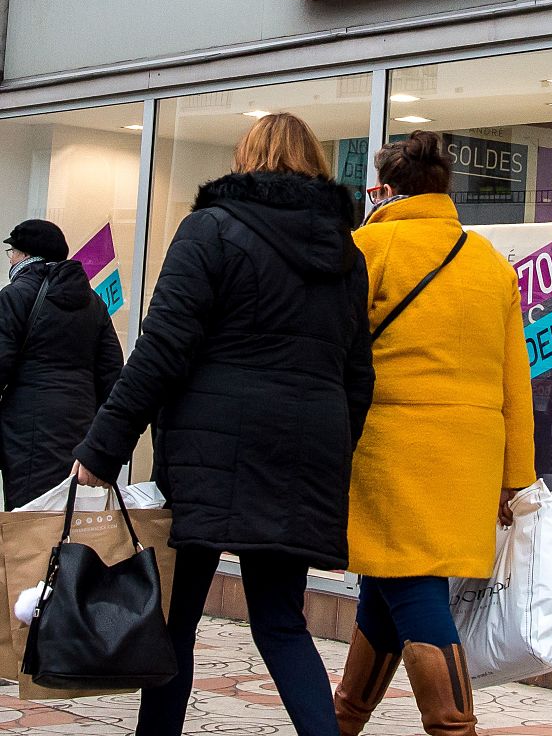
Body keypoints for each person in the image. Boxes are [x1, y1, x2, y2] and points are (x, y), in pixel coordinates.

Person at [73, 112, 375, 736]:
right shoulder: (346, 255)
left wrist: (103, 449)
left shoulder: (210, 229)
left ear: (245, 158)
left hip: (210, 448)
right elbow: (356, 377)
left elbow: (160, 350)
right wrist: (329, 449)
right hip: (303, 453)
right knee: (281, 622)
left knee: (175, 620)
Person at [335, 131, 536, 736]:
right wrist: (515, 478)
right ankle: (343, 718)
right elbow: (514, 380)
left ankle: (454, 727)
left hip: (391, 450)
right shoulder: (489, 264)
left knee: (414, 589)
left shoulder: (366, 248)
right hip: (468, 458)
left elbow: (338, 351)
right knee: (390, 585)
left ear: (387, 191)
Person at [0, 219, 123, 509]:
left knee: (29, 520)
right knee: (70, 517)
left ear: (26, 255)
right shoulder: (93, 303)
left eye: (13, 252)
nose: (11, 258)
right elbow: (112, 373)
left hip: (25, 431)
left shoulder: (15, 296)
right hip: (81, 428)